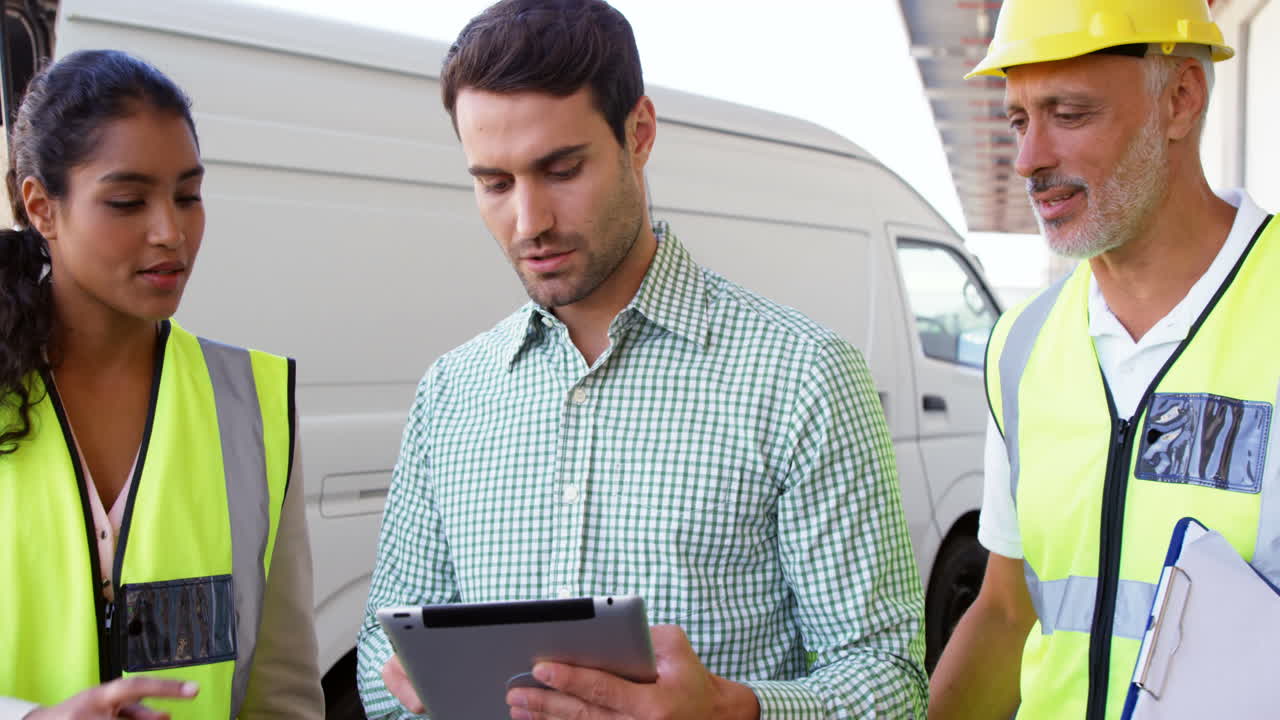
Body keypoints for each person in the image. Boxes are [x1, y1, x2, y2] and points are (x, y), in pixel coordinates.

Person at [356, 0, 928, 717]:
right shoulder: (451, 393)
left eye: (561, 169)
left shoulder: (802, 376)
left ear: (640, 134)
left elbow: (889, 679)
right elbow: (383, 653)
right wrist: (420, 694)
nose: (528, 223)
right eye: (494, 184)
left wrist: (733, 711)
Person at [927, 1, 1278, 719]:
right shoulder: (1021, 344)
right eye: (1021, 119)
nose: (1029, 160)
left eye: (1070, 113)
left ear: (1181, 97)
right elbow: (1003, 612)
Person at [0, 50, 324, 719]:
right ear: (41, 207)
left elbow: (282, 690)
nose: (170, 232)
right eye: (127, 201)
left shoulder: (252, 401)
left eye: (188, 195)